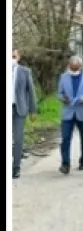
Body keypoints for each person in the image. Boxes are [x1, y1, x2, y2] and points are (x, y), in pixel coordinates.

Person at [57, 55, 83, 175]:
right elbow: (59, 93)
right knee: (65, 138)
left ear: (81, 66)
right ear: (69, 66)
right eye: (72, 68)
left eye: (76, 68)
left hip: (82, 111)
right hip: (67, 112)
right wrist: (63, 98)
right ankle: (65, 164)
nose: (73, 71)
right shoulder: (63, 77)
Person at [11, 48, 38, 179]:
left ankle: (16, 167)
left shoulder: (25, 72)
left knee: (18, 139)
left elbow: (31, 91)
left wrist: (33, 110)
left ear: (18, 57)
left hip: (19, 109)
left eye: (13, 56)